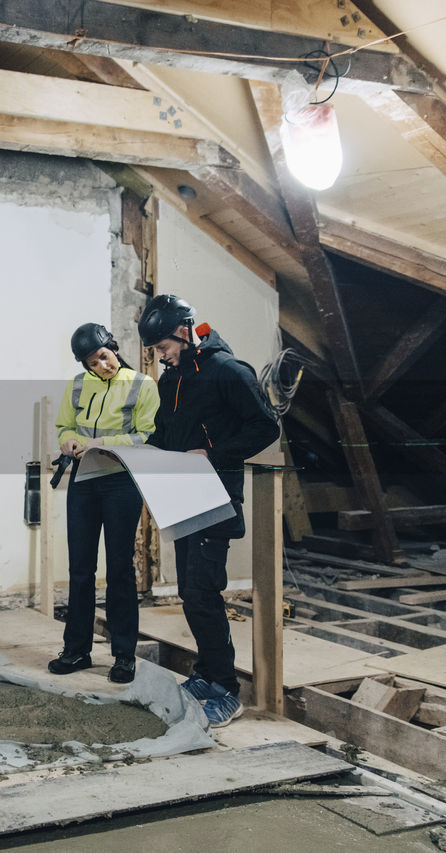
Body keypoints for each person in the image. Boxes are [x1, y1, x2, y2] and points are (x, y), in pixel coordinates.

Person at [137, 295, 279, 727]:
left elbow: (265, 425)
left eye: (163, 347)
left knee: (205, 593)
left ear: (183, 331)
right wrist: (132, 454)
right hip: (181, 494)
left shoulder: (229, 372)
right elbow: (164, 435)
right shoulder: (171, 380)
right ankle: (207, 675)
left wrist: (212, 453)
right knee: (192, 594)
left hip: (215, 496)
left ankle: (226, 690)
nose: (161, 357)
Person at [49, 323, 160, 684]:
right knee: (80, 570)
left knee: (119, 570)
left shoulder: (143, 385)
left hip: (121, 483)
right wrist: (68, 441)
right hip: (83, 481)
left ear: (113, 347)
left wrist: (102, 444)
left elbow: (145, 434)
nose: (102, 366)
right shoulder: (78, 386)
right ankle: (76, 650)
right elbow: (64, 425)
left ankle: (124, 655)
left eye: (104, 356)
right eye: (93, 363)